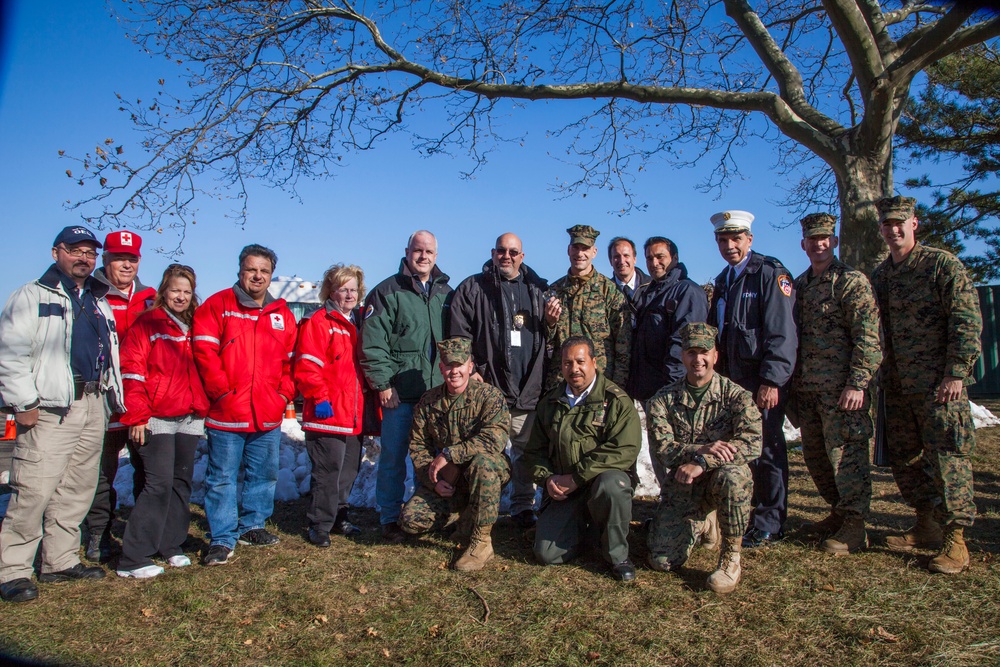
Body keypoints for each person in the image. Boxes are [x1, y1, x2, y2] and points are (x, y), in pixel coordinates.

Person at [0, 226, 124, 603]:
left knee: (76, 489)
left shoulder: (97, 299)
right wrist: (24, 404)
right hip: (51, 407)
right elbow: (10, 354)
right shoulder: (32, 295)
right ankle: (14, 570)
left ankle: (60, 560)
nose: (83, 258)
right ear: (57, 252)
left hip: (91, 402)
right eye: (75, 250)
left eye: (89, 252)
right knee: (34, 488)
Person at [871, 195, 982, 574]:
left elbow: (966, 320)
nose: (893, 229)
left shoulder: (940, 264)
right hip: (898, 385)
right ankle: (927, 523)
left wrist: (956, 372)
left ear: (914, 223)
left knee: (948, 458)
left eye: (900, 222)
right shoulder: (881, 275)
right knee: (906, 459)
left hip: (938, 385)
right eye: (887, 224)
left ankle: (956, 538)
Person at [193, 244, 297, 565]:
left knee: (263, 474)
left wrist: (282, 396)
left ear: (271, 275)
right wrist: (221, 392)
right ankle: (222, 537)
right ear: (240, 271)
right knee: (222, 476)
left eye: (264, 271)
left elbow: (292, 364)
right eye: (252, 269)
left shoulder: (282, 314)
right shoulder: (218, 305)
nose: (258, 276)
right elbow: (204, 352)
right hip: (228, 411)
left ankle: (252, 524)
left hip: (267, 411)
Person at [645, 322, 761, 594]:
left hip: (720, 479)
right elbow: (662, 448)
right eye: (691, 352)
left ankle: (731, 556)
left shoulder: (736, 397)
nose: (698, 359)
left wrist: (703, 463)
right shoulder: (663, 400)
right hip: (683, 486)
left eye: (704, 352)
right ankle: (705, 521)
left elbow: (752, 443)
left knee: (735, 476)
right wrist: (699, 450)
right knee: (661, 561)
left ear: (715, 356)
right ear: (682, 356)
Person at [790, 214, 881, 555]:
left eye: (825, 238)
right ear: (804, 244)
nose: (819, 244)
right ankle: (838, 513)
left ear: (835, 241)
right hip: (809, 392)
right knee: (816, 458)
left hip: (843, 393)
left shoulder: (850, 282)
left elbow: (868, 338)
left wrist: (857, 383)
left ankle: (856, 526)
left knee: (847, 458)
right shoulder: (798, 286)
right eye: (813, 239)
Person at [707, 210, 797, 548]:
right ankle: (750, 514)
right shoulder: (723, 280)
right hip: (734, 385)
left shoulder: (770, 275)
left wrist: (772, 381)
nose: (730, 245)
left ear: (750, 240)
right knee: (744, 451)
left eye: (736, 238)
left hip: (762, 383)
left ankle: (771, 521)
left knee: (768, 450)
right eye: (723, 240)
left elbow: (781, 333)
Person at [449, 232, 547, 530]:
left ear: (522, 256)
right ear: (493, 253)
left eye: (513, 252)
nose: (507, 256)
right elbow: (458, 335)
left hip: (526, 388)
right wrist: (472, 370)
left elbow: (550, 337)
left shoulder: (538, 289)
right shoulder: (473, 288)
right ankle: (473, 509)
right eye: (502, 251)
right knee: (481, 452)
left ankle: (521, 508)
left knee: (523, 454)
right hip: (487, 391)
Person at [116, 264, 209, 578]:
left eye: (186, 291)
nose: (181, 297)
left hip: (189, 415)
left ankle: (170, 544)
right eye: (175, 291)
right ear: (163, 292)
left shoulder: (196, 324)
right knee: (157, 484)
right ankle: (133, 557)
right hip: (156, 416)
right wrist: (137, 415)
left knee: (181, 482)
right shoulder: (147, 323)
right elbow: (132, 371)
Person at [523, 336, 641, 581]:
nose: (574, 368)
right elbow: (535, 452)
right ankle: (588, 534)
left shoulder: (616, 401)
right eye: (567, 363)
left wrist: (578, 476)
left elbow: (624, 449)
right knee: (547, 555)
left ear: (594, 362)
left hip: (601, 485)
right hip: (566, 490)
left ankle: (617, 556)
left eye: (580, 361)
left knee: (612, 486)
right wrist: (548, 479)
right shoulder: (550, 403)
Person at [361, 231, 452, 543]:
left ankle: (428, 514)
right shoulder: (387, 291)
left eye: (429, 251)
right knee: (393, 457)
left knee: (434, 459)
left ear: (436, 255)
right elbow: (373, 344)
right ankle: (388, 515)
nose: (423, 256)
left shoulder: (446, 293)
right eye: (418, 250)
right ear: (407, 252)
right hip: (399, 394)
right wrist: (383, 384)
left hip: (436, 396)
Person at [399, 338, 511, 571]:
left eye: (459, 365)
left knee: (483, 463)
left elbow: (495, 439)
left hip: (485, 474)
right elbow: (418, 446)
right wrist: (434, 482)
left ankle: (481, 542)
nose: (454, 371)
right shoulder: (429, 402)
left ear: (470, 366)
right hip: (450, 481)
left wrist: (450, 454)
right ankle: (464, 516)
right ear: (441, 368)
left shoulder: (489, 397)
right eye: (449, 365)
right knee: (410, 521)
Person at [83, 230, 156, 562]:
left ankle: (144, 531)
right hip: (103, 402)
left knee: (147, 468)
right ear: (105, 259)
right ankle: (99, 533)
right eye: (118, 258)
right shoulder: (89, 296)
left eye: (132, 259)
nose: (126, 265)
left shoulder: (152, 299)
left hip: (143, 400)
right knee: (100, 471)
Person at [294, 264, 367, 548]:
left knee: (348, 469)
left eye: (353, 289)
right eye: (343, 289)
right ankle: (319, 523)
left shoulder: (357, 322)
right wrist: (319, 396)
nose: (349, 294)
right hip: (328, 410)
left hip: (352, 411)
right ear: (331, 291)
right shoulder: (320, 321)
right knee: (328, 470)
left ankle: (340, 516)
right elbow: (307, 365)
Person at [544, 225, 630, 391]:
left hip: (598, 383)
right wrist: (550, 324)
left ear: (594, 252)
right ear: (569, 250)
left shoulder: (609, 292)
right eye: (575, 247)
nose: (579, 253)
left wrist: (616, 389)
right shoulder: (554, 291)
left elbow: (623, 347)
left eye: (585, 248)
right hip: (561, 383)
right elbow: (544, 343)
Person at [626, 236, 710, 403]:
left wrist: (675, 390)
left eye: (660, 257)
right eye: (649, 258)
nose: (654, 263)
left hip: (670, 391)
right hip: (648, 389)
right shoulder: (650, 293)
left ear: (675, 258)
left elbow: (684, 344)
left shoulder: (687, 292)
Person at [608, 236, 651, 314]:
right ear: (611, 261)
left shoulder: (652, 287)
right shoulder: (605, 291)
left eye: (626, 255)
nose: (621, 261)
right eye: (616, 257)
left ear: (634, 259)